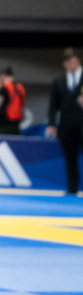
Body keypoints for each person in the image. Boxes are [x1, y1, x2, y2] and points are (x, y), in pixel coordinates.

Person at [46, 48, 83, 197]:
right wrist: (51, 124)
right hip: (66, 126)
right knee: (70, 159)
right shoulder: (59, 81)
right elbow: (53, 105)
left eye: (74, 62)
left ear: (78, 61)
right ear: (64, 64)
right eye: (68, 62)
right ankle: (72, 188)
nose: (72, 65)